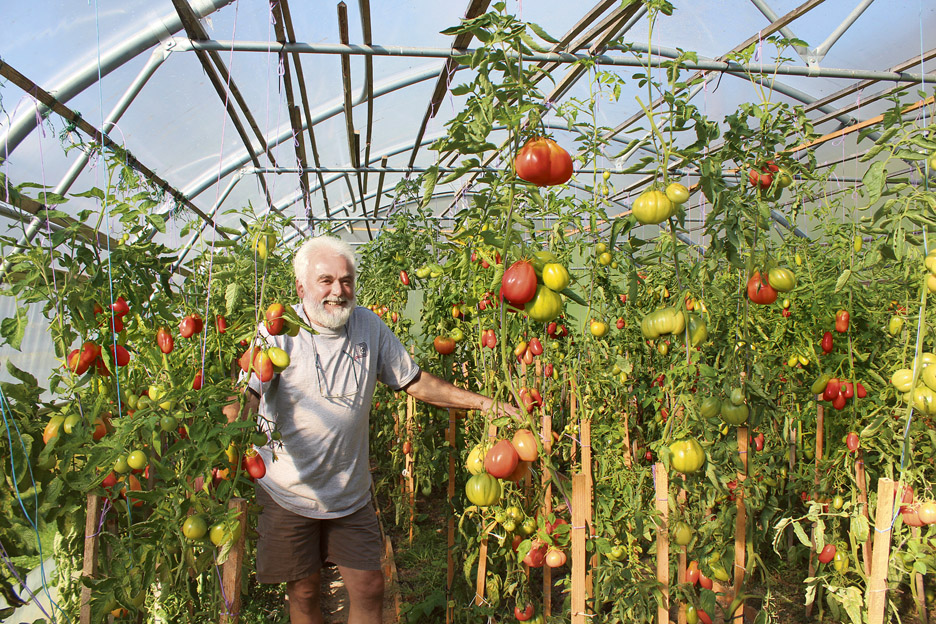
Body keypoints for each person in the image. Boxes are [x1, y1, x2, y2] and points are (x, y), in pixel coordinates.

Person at [223, 236, 519, 624]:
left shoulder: (369, 326)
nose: (338, 291)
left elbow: (414, 381)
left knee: (369, 587)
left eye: (346, 281)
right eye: (325, 280)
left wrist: (485, 403)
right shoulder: (276, 331)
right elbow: (246, 397)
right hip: (287, 492)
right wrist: (220, 449)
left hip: (349, 493)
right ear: (301, 287)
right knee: (305, 591)